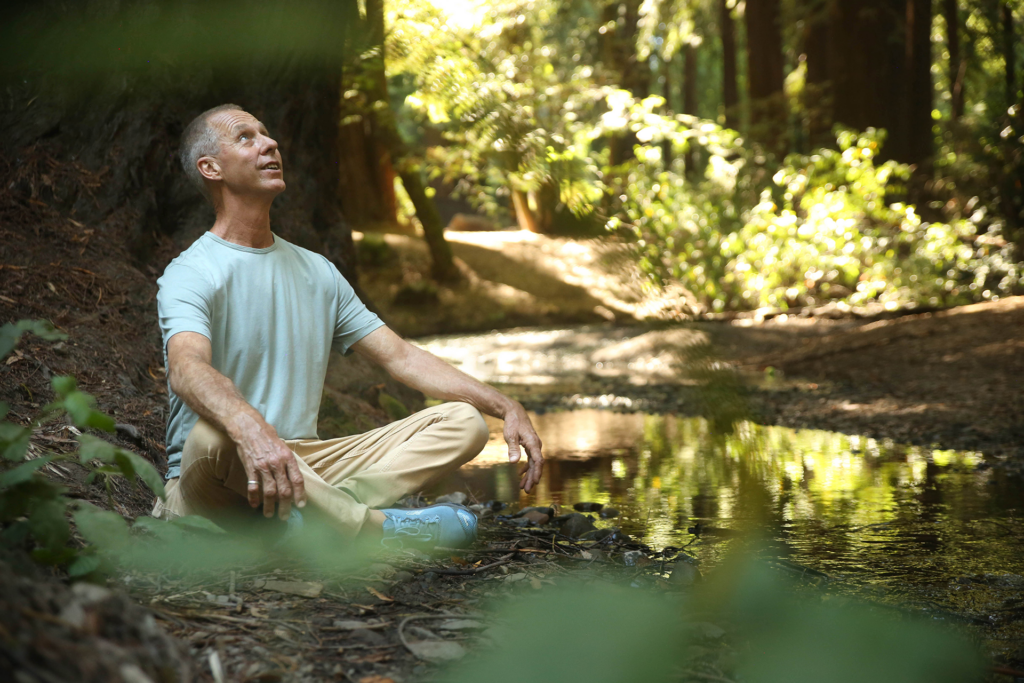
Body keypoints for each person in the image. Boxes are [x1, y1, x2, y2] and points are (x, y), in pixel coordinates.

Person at [150, 104, 544, 549]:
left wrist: (505, 404)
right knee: (212, 433)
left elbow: (401, 357)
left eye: (266, 133)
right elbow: (186, 368)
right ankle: (372, 529)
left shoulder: (317, 271)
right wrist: (248, 425)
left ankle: (321, 517)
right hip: (216, 478)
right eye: (246, 137)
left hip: (307, 467)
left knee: (465, 422)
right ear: (211, 168)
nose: (270, 143)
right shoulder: (192, 271)